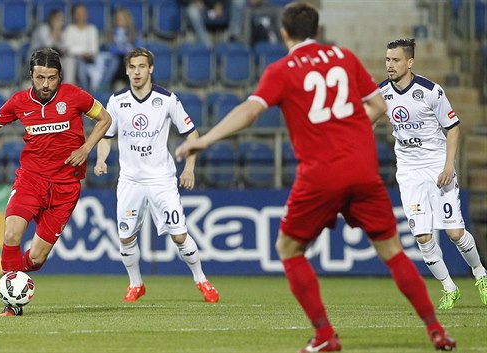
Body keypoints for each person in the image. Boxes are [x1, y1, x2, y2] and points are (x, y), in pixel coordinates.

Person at [175, 2, 455, 352]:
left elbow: (250, 111)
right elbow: (380, 107)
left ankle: (325, 335)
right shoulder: (344, 57)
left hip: (321, 174)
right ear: (318, 31)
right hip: (363, 168)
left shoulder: (282, 69)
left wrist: (204, 140)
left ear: (284, 33)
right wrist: (350, 134)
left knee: (288, 249)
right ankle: (436, 331)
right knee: (393, 251)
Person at [0, 48, 112, 317]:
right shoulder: (19, 102)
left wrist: (87, 148)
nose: (45, 84)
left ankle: (12, 275)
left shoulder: (75, 96)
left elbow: (105, 119)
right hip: (31, 179)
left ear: (59, 76)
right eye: (40, 77)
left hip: (66, 187)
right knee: (11, 234)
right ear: (31, 75)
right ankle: (12, 301)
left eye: (51, 78)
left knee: (37, 258)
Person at [93, 47, 219, 304]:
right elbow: (106, 136)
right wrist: (101, 159)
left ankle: (201, 279)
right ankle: (136, 284)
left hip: (161, 179)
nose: (136, 72)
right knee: (126, 236)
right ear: (126, 70)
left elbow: (192, 134)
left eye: (141, 66)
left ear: (150, 69)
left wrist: (189, 168)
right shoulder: (117, 101)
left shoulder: (167, 99)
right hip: (129, 180)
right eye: (132, 67)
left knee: (179, 234)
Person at [376, 38, 487, 309]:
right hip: (409, 171)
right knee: (422, 236)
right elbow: (365, 121)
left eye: (396, 60)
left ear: (410, 62)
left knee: (454, 232)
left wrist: (449, 166)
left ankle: (480, 274)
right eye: (388, 60)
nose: (390, 65)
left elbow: (453, 127)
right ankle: (449, 288)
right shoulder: (381, 94)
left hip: (438, 165)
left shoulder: (430, 91)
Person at [61, 3, 107, 92]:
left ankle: (101, 86)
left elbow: (94, 49)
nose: (82, 16)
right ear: (74, 15)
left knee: (111, 61)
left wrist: (84, 52)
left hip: (90, 59)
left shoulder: (92, 29)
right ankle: (86, 91)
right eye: (79, 13)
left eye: (83, 13)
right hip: (75, 60)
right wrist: (82, 52)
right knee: (80, 63)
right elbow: (68, 48)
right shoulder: (69, 30)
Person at [178, 0, 247, 47]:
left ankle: (233, 36)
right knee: (192, 11)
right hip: (197, 9)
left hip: (215, 7)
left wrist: (218, 3)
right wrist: (194, 1)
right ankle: (206, 44)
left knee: (239, 1)